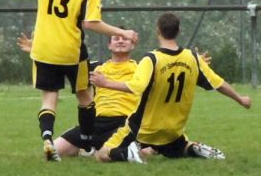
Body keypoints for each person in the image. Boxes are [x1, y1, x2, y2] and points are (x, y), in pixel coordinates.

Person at [16, 0, 138, 162]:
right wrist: (123, 33)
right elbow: (91, 23)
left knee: (49, 98)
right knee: (84, 96)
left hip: (42, 48)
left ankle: (47, 139)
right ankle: (88, 140)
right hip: (70, 50)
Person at [18, 32, 219, 161]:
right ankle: (95, 150)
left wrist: (196, 62)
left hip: (124, 123)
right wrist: (35, 51)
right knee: (56, 151)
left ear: (133, 45)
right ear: (109, 46)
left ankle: (123, 150)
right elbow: (64, 67)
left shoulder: (143, 66)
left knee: (141, 151)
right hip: (96, 122)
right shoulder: (96, 67)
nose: (120, 40)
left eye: (125, 39)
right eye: (116, 38)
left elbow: (171, 71)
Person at [91, 12, 251, 163]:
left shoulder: (152, 59)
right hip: (173, 130)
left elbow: (136, 87)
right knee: (179, 149)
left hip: (144, 128)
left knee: (102, 154)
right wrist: (240, 99)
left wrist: (106, 83)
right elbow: (219, 83)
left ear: (158, 31)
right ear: (178, 31)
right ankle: (193, 148)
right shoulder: (193, 58)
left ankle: (127, 153)